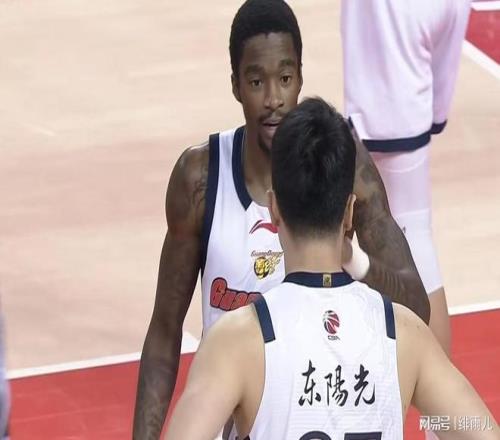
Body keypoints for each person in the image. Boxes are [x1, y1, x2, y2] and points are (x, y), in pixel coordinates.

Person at [133, 1, 430, 438]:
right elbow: (164, 332)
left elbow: (417, 307)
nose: (273, 99)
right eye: (257, 81)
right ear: (236, 85)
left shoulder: (340, 164)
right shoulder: (200, 179)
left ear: (300, 78)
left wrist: (355, 260)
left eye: (285, 79)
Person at [164, 97, 499, 440]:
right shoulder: (403, 332)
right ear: (350, 211)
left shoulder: (236, 341)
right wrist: (435, 423)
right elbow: (479, 431)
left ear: (274, 208)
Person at [341, 0, 472, 359]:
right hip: (435, 14)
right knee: (410, 230)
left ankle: (435, 382)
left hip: (395, 21)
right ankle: (433, 385)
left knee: (406, 235)